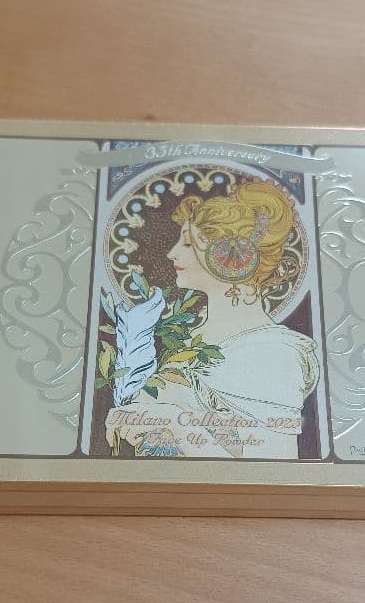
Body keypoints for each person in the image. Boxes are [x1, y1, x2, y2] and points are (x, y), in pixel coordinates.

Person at [105, 179, 319, 459]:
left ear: (227, 259)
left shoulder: (273, 353)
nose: (172, 253)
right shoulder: (192, 340)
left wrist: (171, 421)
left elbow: (271, 471)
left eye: (187, 243)